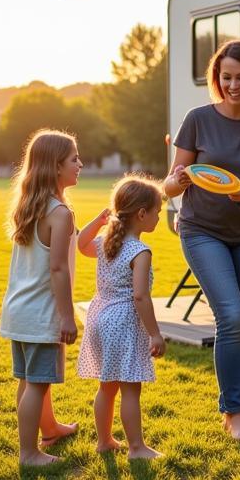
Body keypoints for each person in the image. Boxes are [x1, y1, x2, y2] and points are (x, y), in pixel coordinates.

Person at [164, 40, 240, 442]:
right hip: (202, 231)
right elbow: (170, 186)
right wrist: (176, 181)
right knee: (231, 317)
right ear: (217, 78)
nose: (233, 85)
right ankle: (232, 413)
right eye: (226, 77)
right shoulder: (197, 119)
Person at [0, 130, 82, 466]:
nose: (81, 164)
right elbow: (58, 269)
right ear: (55, 166)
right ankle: (29, 453)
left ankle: (50, 428)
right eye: (74, 159)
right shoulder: (60, 213)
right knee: (36, 384)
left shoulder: (29, 205)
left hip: (18, 311)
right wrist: (66, 316)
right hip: (43, 314)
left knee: (30, 380)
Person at [77, 175, 167, 460]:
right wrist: (155, 333)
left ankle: (104, 441)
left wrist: (98, 221)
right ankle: (137, 448)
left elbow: (80, 244)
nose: (159, 216)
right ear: (141, 214)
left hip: (99, 319)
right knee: (130, 389)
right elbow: (140, 296)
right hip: (123, 323)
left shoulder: (106, 242)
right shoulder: (140, 251)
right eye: (157, 211)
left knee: (107, 386)